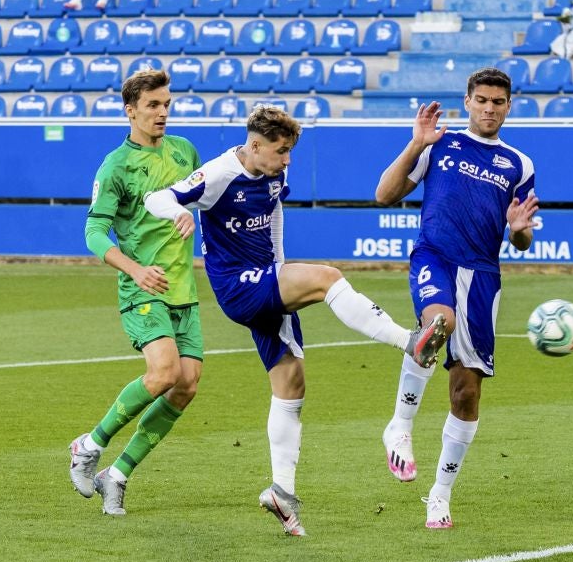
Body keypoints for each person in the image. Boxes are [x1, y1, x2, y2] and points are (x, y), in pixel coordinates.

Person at [144, 106, 447, 537]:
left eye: (290, 152)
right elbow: (156, 197)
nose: (287, 160)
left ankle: (282, 494)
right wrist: (174, 212)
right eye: (281, 151)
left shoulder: (274, 174)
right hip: (238, 286)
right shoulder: (217, 174)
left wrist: (282, 268)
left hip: (269, 279)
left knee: (291, 387)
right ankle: (408, 341)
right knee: (327, 278)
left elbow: (274, 218)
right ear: (254, 145)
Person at [374, 68, 540, 529]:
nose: (489, 108)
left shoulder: (519, 165)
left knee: (465, 393)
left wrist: (519, 230)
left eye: (498, 101)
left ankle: (440, 495)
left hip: (483, 277)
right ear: (466, 101)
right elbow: (384, 194)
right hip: (435, 256)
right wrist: (416, 144)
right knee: (437, 323)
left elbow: (521, 239)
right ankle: (400, 427)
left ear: (509, 106)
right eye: (481, 99)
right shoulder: (440, 144)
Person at [70, 69, 203, 517]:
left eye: (166, 103)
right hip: (141, 288)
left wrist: (192, 216)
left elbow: (197, 203)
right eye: (153, 105)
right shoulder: (116, 165)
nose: (163, 112)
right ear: (131, 110)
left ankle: (118, 474)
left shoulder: (185, 152)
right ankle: (90, 445)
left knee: (185, 387)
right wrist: (135, 269)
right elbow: (93, 230)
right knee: (164, 372)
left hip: (183, 289)